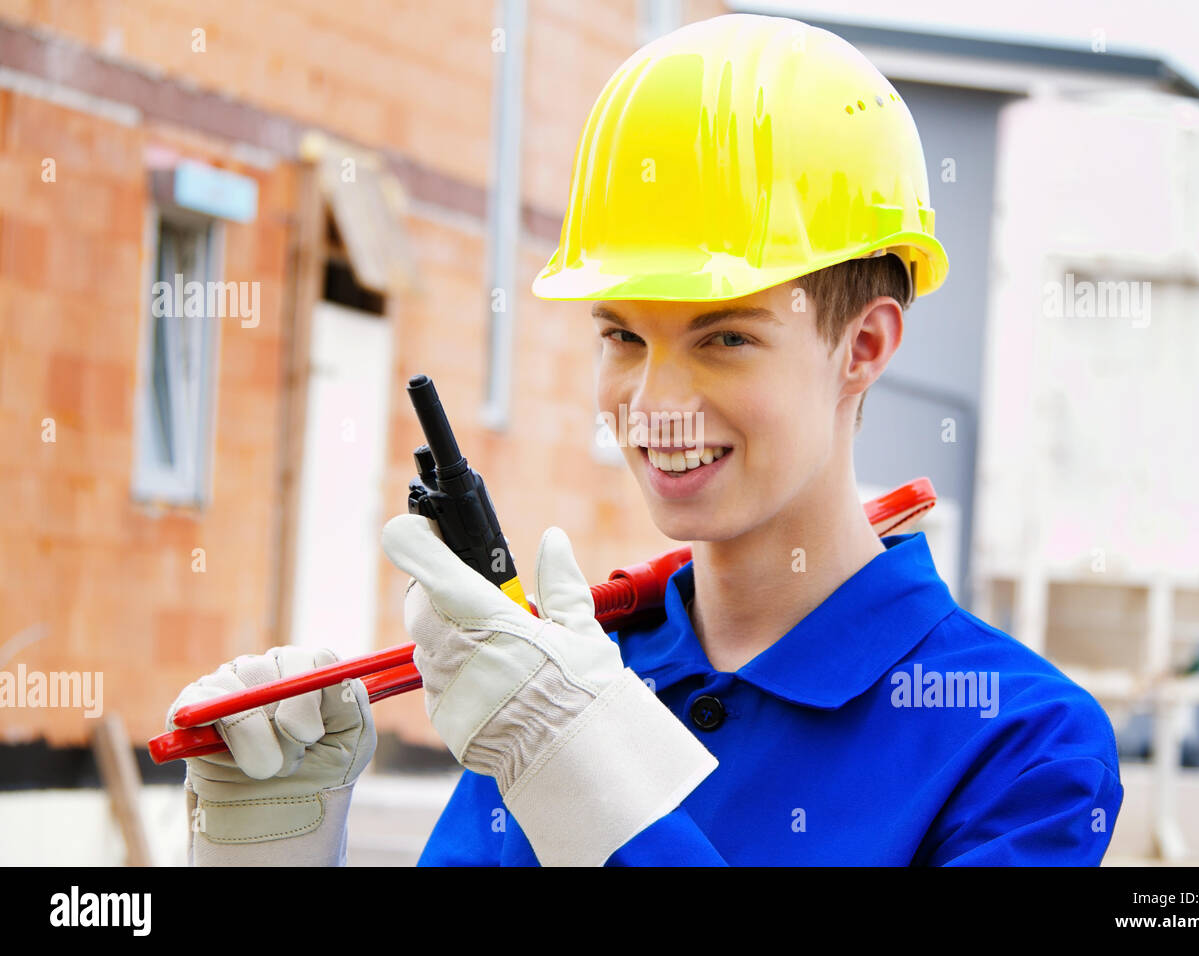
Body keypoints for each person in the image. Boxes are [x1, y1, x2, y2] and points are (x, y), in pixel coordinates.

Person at [168, 12, 1122, 866]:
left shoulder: (1017, 743)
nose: (654, 401)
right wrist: (271, 854)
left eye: (727, 338)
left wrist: (586, 776)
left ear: (862, 347)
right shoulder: (568, 679)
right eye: (622, 335)